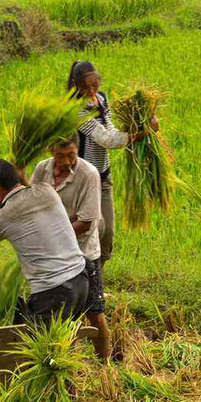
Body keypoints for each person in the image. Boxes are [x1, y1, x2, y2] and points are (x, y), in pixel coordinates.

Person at [0, 157, 88, 325]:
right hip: (81, 279)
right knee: (60, 339)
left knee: (36, 347)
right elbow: (27, 193)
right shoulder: (47, 191)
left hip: (53, 291)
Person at [68, 61, 158, 265]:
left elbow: (111, 130)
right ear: (77, 86)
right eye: (85, 87)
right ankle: (85, 279)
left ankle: (98, 280)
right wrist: (141, 134)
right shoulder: (75, 110)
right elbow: (105, 139)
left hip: (103, 175)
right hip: (84, 179)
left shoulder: (101, 99)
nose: (91, 90)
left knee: (107, 232)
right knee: (94, 230)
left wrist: (138, 126)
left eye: (95, 84)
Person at [30, 134, 110, 357]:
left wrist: (52, 238)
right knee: (62, 314)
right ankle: (66, 360)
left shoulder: (88, 174)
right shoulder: (42, 170)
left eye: (71, 155)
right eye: (60, 156)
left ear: (77, 150)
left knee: (94, 311)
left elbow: (85, 223)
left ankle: (105, 366)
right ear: (50, 151)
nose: (66, 162)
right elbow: (32, 204)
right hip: (51, 255)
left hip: (82, 253)